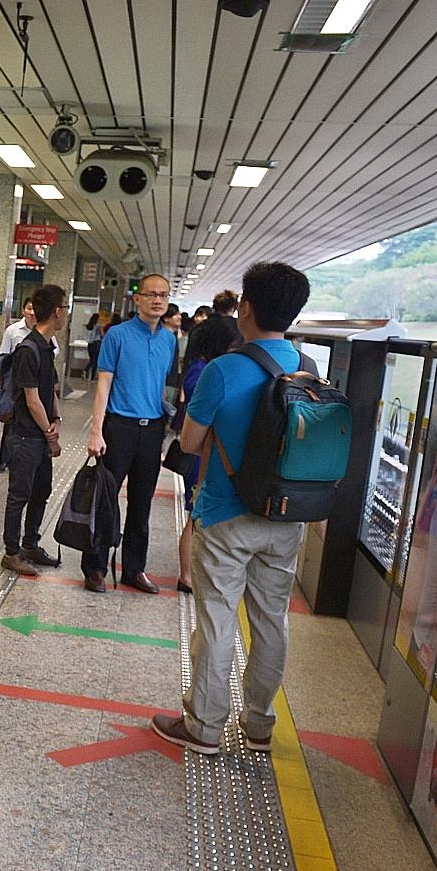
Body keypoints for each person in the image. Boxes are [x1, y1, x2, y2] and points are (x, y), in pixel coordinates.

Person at [151, 262, 313, 756]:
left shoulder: (223, 369)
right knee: (271, 620)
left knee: (218, 619)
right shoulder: (308, 368)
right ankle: (260, 724)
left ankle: (204, 726)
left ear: (246, 308)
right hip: (285, 516)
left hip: (226, 514)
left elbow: (190, 441)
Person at [83, 274, 177, 593]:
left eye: (163, 295)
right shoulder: (117, 335)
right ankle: (95, 567)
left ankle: (134, 569)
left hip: (151, 430)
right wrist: (96, 432)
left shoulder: (169, 340)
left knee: (142, 503)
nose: (158, 300)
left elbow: (160, 385)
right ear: (137, 299)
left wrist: (164, 430)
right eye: (151, 294)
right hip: (119, 427)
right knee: (106, 499)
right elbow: (103, 385)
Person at [0, 284, 67, 576]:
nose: (66, 314)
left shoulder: (47, 347)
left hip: (40, 434)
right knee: (19, 495)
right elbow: (32, 399)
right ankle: (11, 552)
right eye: (65, 308)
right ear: (56, 312)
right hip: (25, 435)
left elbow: (49, 390)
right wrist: (50, 434)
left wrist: (57, 420)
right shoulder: (27, 349)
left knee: (41, 491)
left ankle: (30, 544)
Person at [170, 315, 239, 594]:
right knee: (194, 514)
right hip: (202, 453)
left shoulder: (198, 366)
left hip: (205, 451)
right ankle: (186, 575)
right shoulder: (205, 372)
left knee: (195, 514)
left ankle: (189, 573)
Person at [0, 296, 37, 473]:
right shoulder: (13, 331)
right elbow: (3, 355)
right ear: (23, 310)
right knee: (11, 420)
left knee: (26, 421)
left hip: (33, 383)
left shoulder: (43, 331)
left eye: (35, 308)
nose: (32, 312)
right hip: (15, 384)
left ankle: (18, 459)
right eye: (29, 308)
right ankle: (3, 459)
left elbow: (54, 351)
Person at [184, 290, 241, 365]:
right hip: (224, 368)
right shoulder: (237, 327)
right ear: (233, 308)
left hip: (201, 369)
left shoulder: (199, 327)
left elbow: (189, 356)